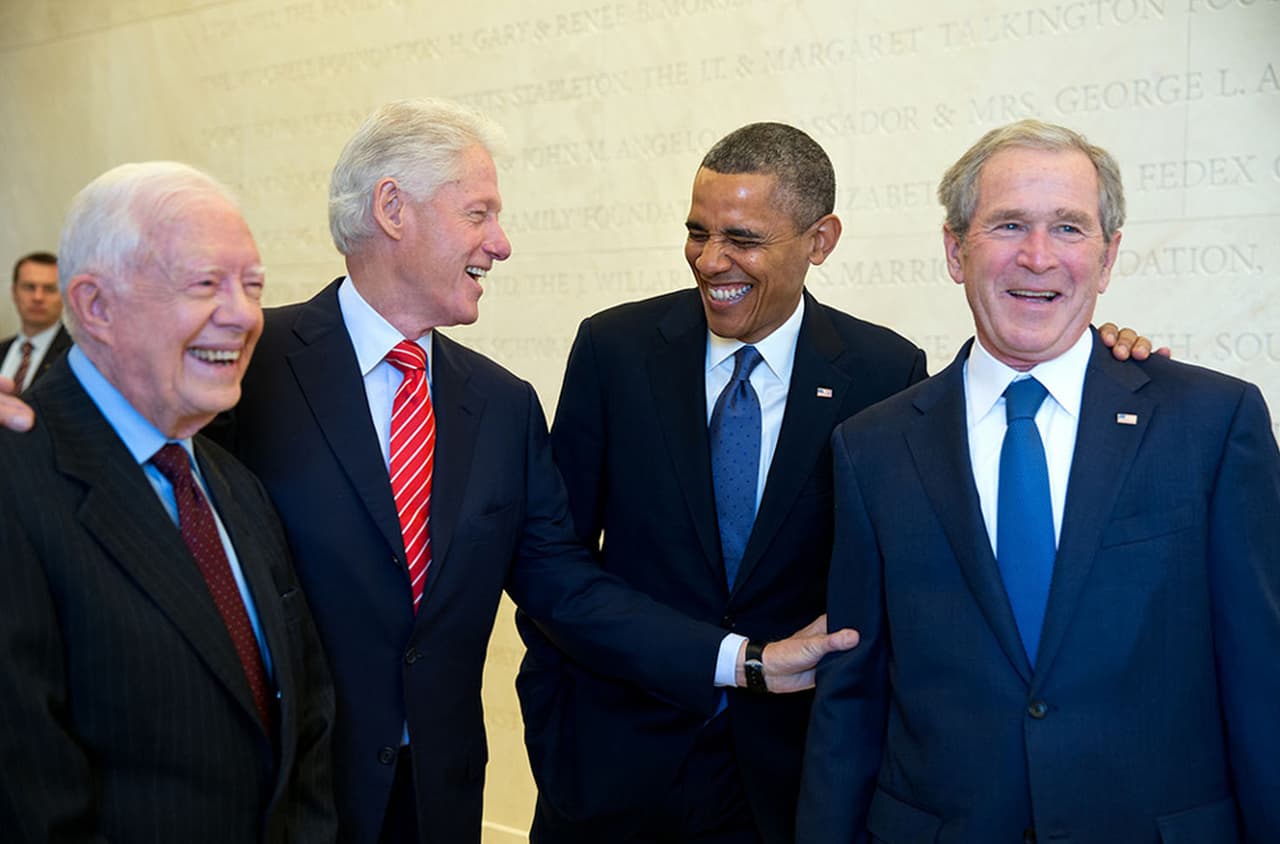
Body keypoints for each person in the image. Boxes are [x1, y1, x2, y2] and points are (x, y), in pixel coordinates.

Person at [208, 99, 853, 844]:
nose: (501, 244)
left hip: (435, 801)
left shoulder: (500, 405)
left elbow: (565, 586)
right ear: (392, 209)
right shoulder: (247, 369)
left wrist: (746, 662)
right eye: (478, 214)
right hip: (279, 794)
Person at [516, 122, 1159, 844]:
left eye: (743, 239)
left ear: (820, 241)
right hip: (612, 770)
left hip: (790, 785)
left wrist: (1098, 360)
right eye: (698, 233)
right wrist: (558, 718)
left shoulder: (885, 375)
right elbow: (551, 564)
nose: (711, 260)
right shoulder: (615, 351)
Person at [797, 120, 1280, 843]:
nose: (1038, 256)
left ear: (1107, 258)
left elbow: (1262, 680)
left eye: (1069, 228)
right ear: (955, 250)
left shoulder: (1212, 423)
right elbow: (852, 699)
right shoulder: (872, 447)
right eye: (1009, 224)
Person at [0, 162, 337, 842]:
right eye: (205, 284)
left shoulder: (234, 483)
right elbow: (28, 798)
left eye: (252, 286)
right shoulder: (15, 480)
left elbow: (306, 722)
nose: (244, 315)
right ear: (96, 306)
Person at [1, 251, 72, 393]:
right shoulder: (2, 349)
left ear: (64, 295)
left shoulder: (75, 355)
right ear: (14, 292)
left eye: (50, 289)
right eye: (29, 287)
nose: (38, 297)